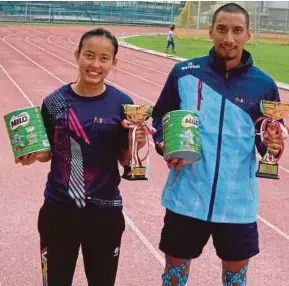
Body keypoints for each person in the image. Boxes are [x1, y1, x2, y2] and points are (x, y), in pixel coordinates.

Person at [152, 3, 284, 286]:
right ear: (211, 31)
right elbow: (160, 117)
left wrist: (273, 144)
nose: (229, 38)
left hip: (237, 203)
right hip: (186, 197)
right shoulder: (184, 73)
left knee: (235, 282)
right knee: (173, 280)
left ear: (248, 34)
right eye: (222, 29)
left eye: (237, 31)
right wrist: (165, 145)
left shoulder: (263, 84)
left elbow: (268, 136)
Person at [16, 28, 147, 286]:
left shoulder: (123, 105)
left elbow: (124, 159)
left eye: (104, 58)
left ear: (114, 62)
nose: (95, 64)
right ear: (77, 55)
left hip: (105, 212)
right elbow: (48, 151)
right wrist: (31, 154)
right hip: (59, 209)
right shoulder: (54, 102)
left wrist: (135, 142)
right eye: (89, 55)